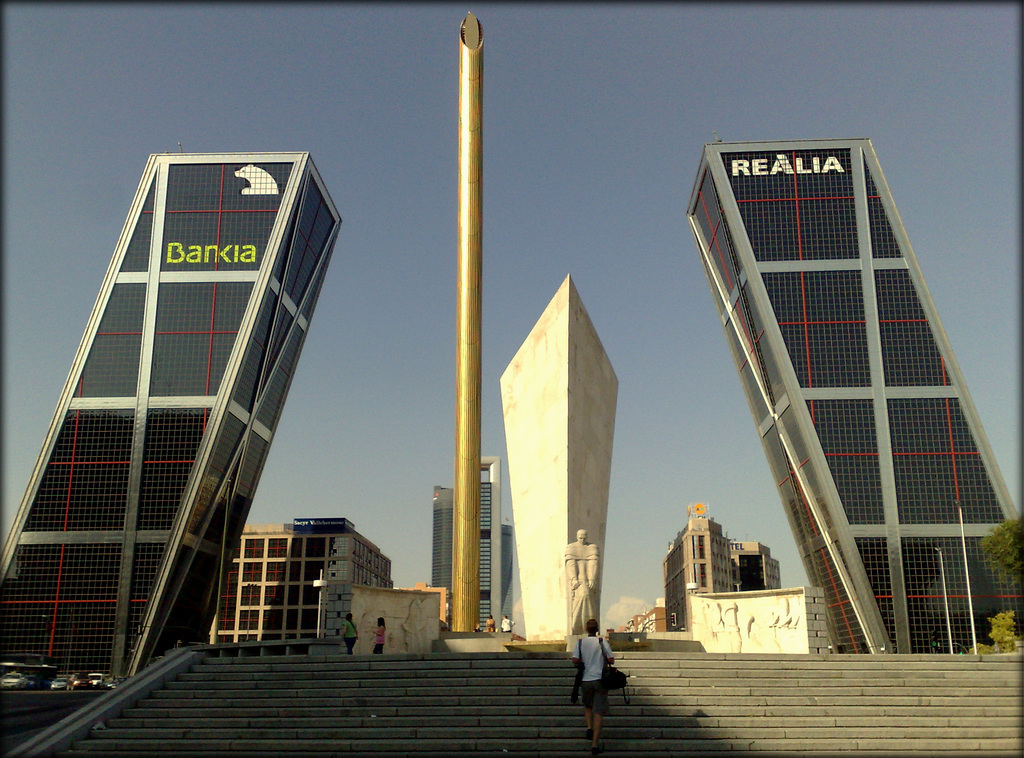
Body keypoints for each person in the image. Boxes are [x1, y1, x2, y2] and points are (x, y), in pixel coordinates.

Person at [571, 617, 613, 755]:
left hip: (585, 680)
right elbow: (611, 659)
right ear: (597, 630)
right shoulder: (602, 642)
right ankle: (594, 744)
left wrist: (583, 662)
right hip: (600, 679)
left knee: (588, 706)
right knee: (598, 712)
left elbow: (575, 660)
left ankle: (589, 727)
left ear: (586, 629)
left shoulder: (580, 643)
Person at [565, 529, 600, 634]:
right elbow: (570, 564)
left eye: (584, 538)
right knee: (583, 595)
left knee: (587, 596)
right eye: (580, 538)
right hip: (578, 581)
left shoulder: (592, 548)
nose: (582, 540)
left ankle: (590, 626)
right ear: (577, 537)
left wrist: (592, 579)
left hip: (587, 580)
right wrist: (573, 579)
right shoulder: (571, 548)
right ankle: (576, 626)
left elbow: (593, 564)